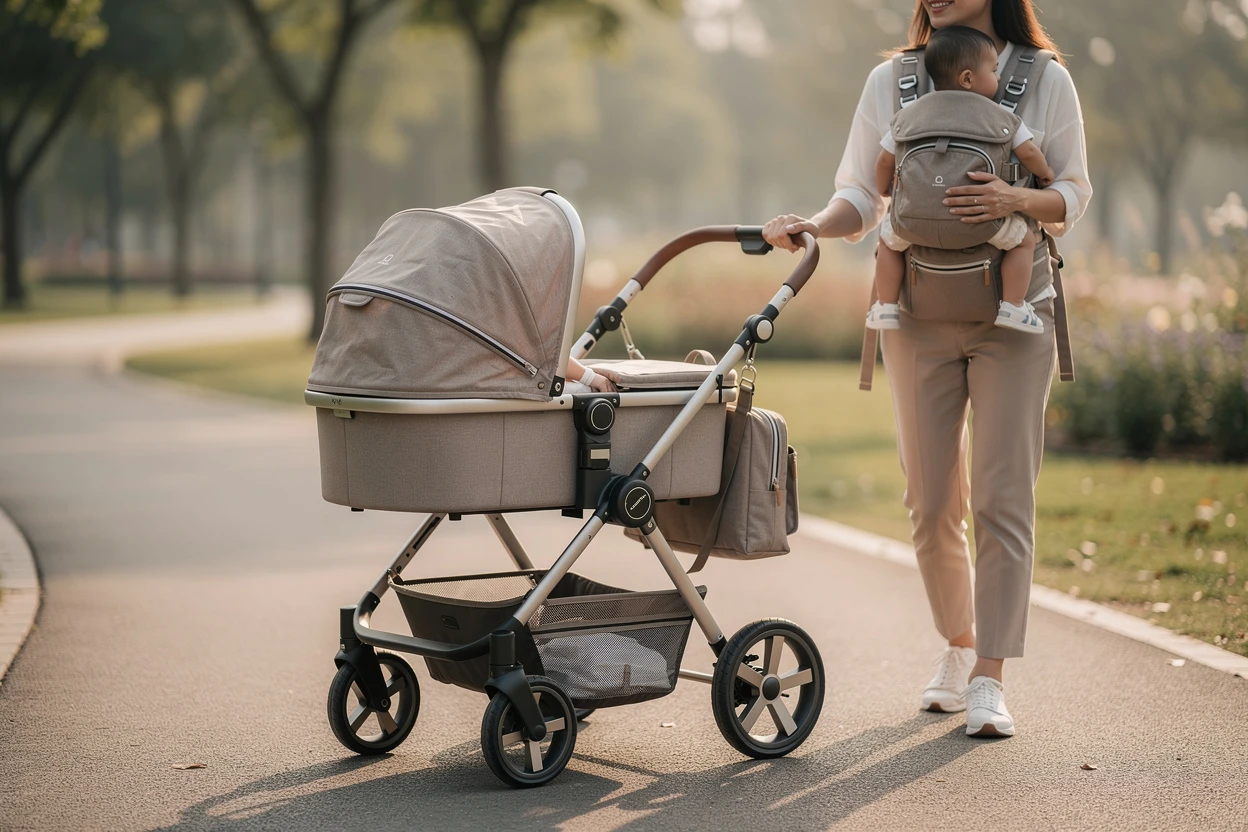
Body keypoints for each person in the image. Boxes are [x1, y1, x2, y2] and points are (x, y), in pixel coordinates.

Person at [764, 0, 1091, 737]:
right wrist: (814, 224)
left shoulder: (1045, 81)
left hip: (1014, 316)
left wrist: (1013, 197)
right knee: (929, 499)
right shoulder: (894, 81)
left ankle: (990, 676)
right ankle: (959, 643)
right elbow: (863, 195)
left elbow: (1072, 195)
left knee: (1004, 498)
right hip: (913, 317)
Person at [866, 25, 1056, 335]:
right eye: (993, 71)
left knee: (888, 243)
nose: (997, 78)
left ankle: (885, 306)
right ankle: (1014, 305)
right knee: (1024, 241)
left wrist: (882, 188)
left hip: (913, 221)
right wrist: (1045, 174)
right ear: (968, 78)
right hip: (979, 221)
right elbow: (1030, 152)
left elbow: (884, 159)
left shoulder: (910, 114)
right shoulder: (1000, 117)